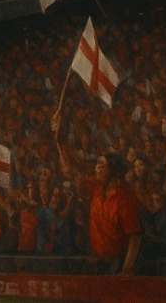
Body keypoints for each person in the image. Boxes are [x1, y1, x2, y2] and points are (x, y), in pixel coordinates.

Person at [52, 112, 141, 273]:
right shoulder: (95, 188)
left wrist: (126, 270)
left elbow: (134, 239)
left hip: (117, 266)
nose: (96, 168)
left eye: (101, 165)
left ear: (112, 170)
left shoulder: (124, 199)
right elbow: (70, 172)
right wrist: (59, 142)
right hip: (98, 264)